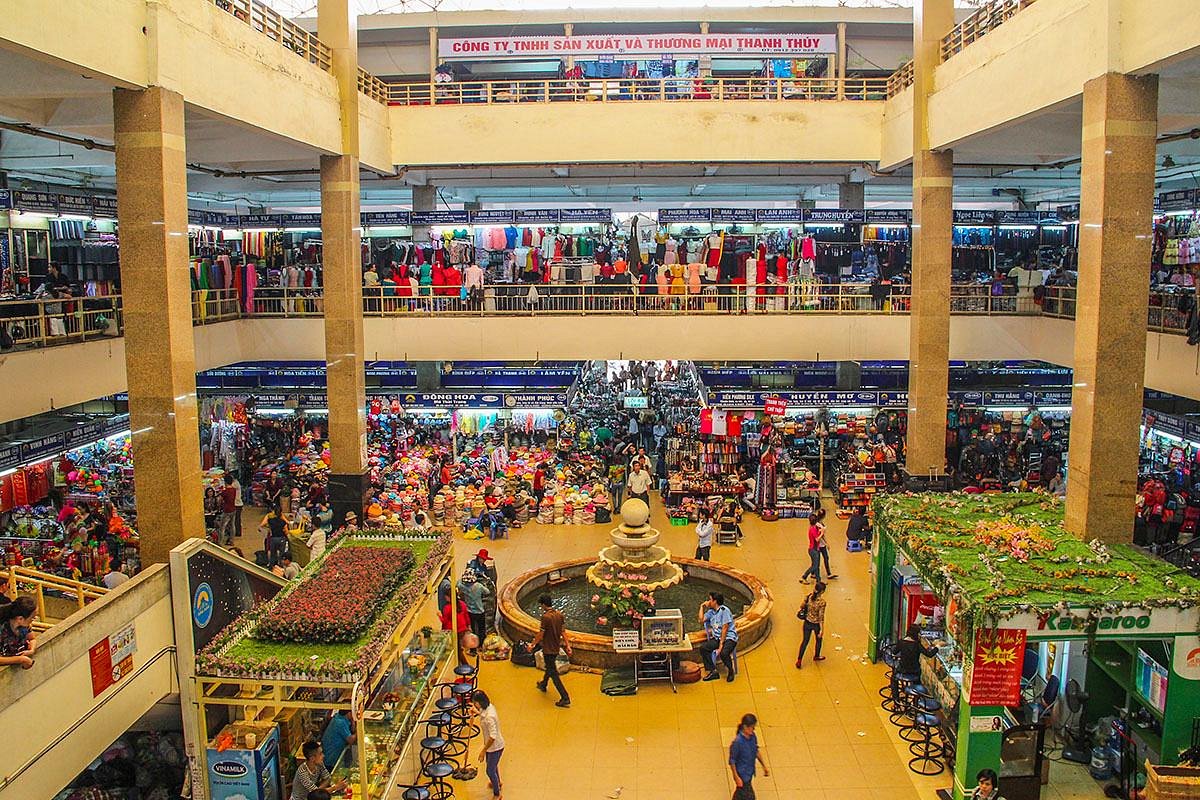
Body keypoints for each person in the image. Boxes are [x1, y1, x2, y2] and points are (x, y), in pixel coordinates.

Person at [531, 594, 572, 707]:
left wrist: (533, 644)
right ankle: (543, 684)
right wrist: (568, 645)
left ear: (544, 605)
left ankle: (565, 697)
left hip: (548, 648)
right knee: (550, 667)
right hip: (556, 646)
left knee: (553, 673)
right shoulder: (559, 615)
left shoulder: (546, 617)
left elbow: (541, 634)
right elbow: (563, 631)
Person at [472, 690, 505, 799]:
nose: (474, 705)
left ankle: (497, 793)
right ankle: (498, 782)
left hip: (495, 747)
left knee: (490, 771)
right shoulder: (490, 707)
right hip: (491, 747)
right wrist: (477, 712)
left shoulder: (489, 717)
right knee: (492, 766)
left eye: (475, 703)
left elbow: (493, 736)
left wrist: (483, 750)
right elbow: (483, 713)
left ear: (480, 702)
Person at [698, 592, 738, 682]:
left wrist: (721, 645)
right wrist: (702, 606)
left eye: (710, 600)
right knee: (703, 648)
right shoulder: (711, 612)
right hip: (717, 638)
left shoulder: (725, 611)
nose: (708, 601)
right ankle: (713, 671)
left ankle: (730, 671)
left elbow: (725, 628)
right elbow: (701, 620)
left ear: (715, 601)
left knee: (723, 653)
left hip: (728, 638)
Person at [728, 713, 769, 800]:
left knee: (740, 795)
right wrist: (736, 777)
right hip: (742, 774)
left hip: (749, 772)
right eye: (751, 727)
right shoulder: (737, 742)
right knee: (749, 796)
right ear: (745, 727)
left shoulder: (753, 736)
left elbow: (756, 751)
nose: (753, 729)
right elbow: (732, 760)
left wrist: (764, 766)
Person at [795, 581, 827, 668]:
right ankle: (816, 655)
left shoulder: (808, 597)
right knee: (818, 640)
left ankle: (799, 660)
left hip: (807, 622)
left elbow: (802, 606)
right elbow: (821, 617)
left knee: (805, 641)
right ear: (822, 592)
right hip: (816, 624)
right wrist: (822, 629)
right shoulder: (822, 602)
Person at [0, 595, 38, 669]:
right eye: (32, 618)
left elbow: (32, 638)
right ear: (20, 619)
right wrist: (21, 659)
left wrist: (32, 649)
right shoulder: (2, 629)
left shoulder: (25, 626)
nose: (33, 620)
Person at [458, 571, 491, 641]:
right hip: (479, 611)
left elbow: (458, 583)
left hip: (469, 611)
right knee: (481, 629)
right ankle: (481, 644)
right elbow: (487, 591)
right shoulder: (478, 586)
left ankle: (473, 647)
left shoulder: (463, 587)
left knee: (472, 629)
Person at [801, 509, 827, 582]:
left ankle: (818, 580)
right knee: (815, 566)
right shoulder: (813, 529)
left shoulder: (813, 528)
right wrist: (822, 533)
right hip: (813, 550)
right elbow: (817, 539)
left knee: (816, 565)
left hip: (815, 549)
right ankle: (804, 576)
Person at [217, 474, 239, 546]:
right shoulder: (234, 490)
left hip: (226, 510)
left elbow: (219, 500)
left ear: (225, 482)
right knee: (232, 525)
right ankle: (232, 540)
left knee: (222, 526)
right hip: (233, 509)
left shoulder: (225, 491)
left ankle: (220, 542)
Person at [230, 473, 245, 539]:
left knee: (237, 519)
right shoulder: (236, 483)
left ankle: (238, 532)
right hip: (237, 503)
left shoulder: (235, 483)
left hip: (237, 504)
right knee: (237, 519)